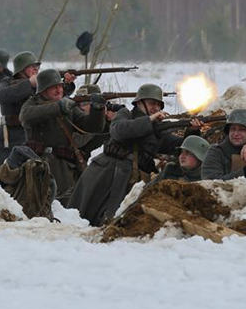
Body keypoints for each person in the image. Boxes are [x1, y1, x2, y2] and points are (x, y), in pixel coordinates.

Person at [68, 83, 201, 226]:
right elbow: (119, 130)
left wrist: (192, 131)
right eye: (152, 103)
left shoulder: (157, 129)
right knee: (82, 217)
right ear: (139, 102)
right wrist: (149, 120)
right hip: (105, 172)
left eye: (158, 105)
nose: (155, 108)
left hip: (131, 179)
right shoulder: (126, 114)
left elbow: (176, 146)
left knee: (117, 221)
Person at [19, 69, 106, 204]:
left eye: (60, 86)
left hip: (64, 166)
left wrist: (97, 109)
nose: (59, 90)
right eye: (54, 87)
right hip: (38, 163)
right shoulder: (33, 104)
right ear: (43, 90)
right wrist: (58, 107)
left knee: (67, 204)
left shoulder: (67, 105)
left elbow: (91, 126)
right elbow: (25, 116)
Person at [0, 52, 76, 173]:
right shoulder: (7, 82)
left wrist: (67, 84)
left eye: (37, 66)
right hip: (7, 135)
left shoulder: (40, 85)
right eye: (31, 66)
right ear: (21, 69)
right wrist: (29, 83)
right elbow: (2, 95)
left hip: (30, 135)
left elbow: (55, 97)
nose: (36, 69)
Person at [201, 108, 246, 180]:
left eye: (242, 129)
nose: (236, 134)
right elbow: (210, 182)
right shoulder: (216, 152)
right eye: (233, 129)